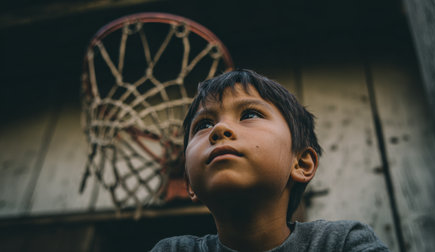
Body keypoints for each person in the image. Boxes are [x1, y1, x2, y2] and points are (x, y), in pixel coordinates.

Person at [151, 69, 389, 251]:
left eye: (249, 114)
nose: (219, 129)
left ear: (301, 163)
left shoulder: (340, 242)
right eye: (204, 124)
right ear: (189, 183)